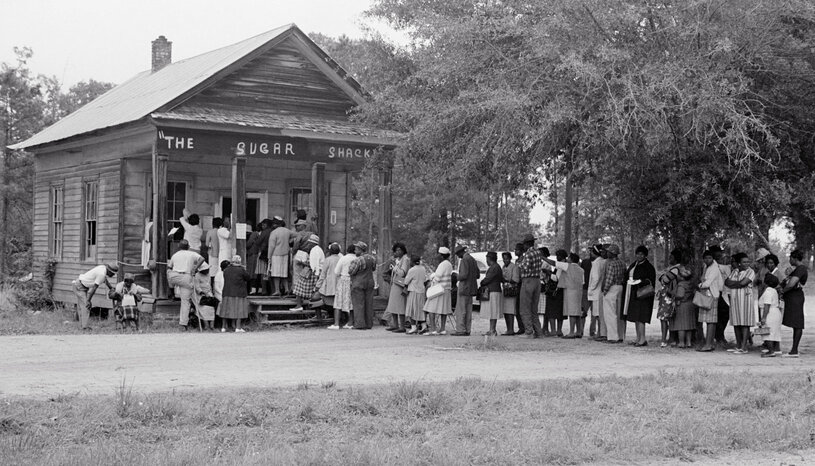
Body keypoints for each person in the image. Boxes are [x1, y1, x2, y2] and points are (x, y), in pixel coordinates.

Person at [544, 250, 585, 338]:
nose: (567, 259)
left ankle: (571, 332)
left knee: (572, 312)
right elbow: (583, 281)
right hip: (579, 291)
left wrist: (543, 258)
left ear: (571, 259)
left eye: (569, 257)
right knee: (577, 312)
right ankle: (578, 331)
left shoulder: (567, 266)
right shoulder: (581, 269)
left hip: (570, 291)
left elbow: (554, 263)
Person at [622, 245, 657, 346]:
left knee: (642, 316)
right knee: (636, 316)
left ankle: (642, 339)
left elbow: (650, 280)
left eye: (641, 254)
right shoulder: (634, 264)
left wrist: (640, 281)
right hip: (633, 293)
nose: (639, 256)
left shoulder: (648, 267)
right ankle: (638, 338)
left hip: (644, 295)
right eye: (638, 254)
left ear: (645, 255)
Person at [167, 239, 203, 330]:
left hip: (175, 277)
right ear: (188, 247)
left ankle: (171, 290)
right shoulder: (191, 254)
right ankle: (183, 324)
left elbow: (169, 267)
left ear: (179, 247)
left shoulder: (175, 255)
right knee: (185, 302)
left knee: (168, 272)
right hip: (186, 277)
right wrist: (195, 268)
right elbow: (202, 259)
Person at [725, 252, 756, 354]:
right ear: (739, 263)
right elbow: (727, 282)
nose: (747, 264)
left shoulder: (750, 272)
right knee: (736, 323)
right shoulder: (735, 271)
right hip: (735, 300)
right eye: (744, 262)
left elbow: (743, 283)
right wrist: (737, 284)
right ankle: (738, 346)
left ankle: (744, 347)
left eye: (748, 262)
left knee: (745, 323)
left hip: (745, 300)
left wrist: (735, 284)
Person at [73, 262, 118, 330]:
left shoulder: (103, 268)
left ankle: (82, 326)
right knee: (86, 306)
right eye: (113, 273)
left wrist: (110, 287)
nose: (113, 275)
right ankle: (84, 327)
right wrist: (88, 300)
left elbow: (105, 279)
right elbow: (94, 288)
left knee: (82, 307)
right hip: (80, 286)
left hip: (80, 285)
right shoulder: (102, 274)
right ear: (109, 271)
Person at [781, 249, 807, 357]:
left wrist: (782, 291)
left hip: (795, 298)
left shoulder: (801, 269)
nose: (789, 260)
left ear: (795, 258)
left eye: (790, 258)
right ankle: (793, 349)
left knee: (797, 323)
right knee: (796, 323)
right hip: (792, 298)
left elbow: (791, 284)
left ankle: (794, 350)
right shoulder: (797, 269)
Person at [697, 249, 724, 352]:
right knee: (708, 320)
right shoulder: (706, 267)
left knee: (711, 321)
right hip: (706, 295)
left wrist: (699, 285)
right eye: (706, 258)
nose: (708, 260)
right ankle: (709, 343)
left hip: (712, 295)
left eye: (710, 258)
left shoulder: (714, 269)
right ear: (703, 259)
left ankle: (708, 344)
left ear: (713, 258)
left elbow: (707, 283)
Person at [517, 234, 543, 338]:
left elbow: (526, 267)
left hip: (528, 280)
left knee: (524, 307)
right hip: (537, 281)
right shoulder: (538, 252)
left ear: (526, 244)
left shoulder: (528, 253)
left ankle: (528, 332)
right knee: (533, 308)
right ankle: (538, 332)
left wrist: (519, 264)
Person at [291, 234, 325, 316]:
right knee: (310, 290)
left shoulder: (314, 250)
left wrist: (303, 262)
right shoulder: (318, 249)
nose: (308, 244)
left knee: (299, 287)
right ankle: (309, 308)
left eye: (310, 243)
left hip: (312, 272)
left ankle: (299, 305)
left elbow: (314, 264)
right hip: (314, 271)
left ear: (313, 243)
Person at [669, 251, 696, 348]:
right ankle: (688, 342)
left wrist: (672, 293)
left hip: (682, 306)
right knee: (689, 326)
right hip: (690, 305)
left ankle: (681, 342)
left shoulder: (681, 284)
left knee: (681, 326)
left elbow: (680, 295)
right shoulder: (691, 284)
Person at [424, 247, 454, 335]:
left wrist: (431, 277)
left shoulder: (442, 264)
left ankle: (433, 329)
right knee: (443, 310)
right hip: (446, 289)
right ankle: (442, 328)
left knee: (431, 309)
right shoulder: (449, 264)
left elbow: (437, 277)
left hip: (438, 290)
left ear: (441, 256)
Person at [219, 255, 251, 332]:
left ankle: (223, 327)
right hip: (239, 292)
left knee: (225, 310)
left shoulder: (226, 270)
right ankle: (238, 327)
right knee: (239, 310)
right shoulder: (241, 270)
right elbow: (248, 278)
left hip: (227, 292)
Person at [349, 241, 377, 330]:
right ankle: (369, 323)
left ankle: (359, 324)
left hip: (358, 283)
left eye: (356, 249)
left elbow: (351, 271)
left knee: (358, 304)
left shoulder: (358, 260)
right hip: (370, 282)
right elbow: (373, 268)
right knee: (369, 303)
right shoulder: (372, 258)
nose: (355, 251)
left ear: (361, 250)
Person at [601, 244, 626, 343]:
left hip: (612, 288)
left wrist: (605, 291)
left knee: (610, 313)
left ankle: (612, 337)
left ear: (612, 253)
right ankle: (620, 336)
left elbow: (609, 279)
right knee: (619, 313)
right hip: (620, 287)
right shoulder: (622, 263)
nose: (607, 253)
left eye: (608, 252)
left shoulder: (611, 264)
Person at [657, 250, 681, 347]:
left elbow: (664, 280)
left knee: (664, 317)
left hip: (668, 295)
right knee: (668, 318)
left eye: (671, 257)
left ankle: (664, 339)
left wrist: (663, 275)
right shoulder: (674, 269)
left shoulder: (675, 269)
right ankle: (670, 338)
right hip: (667, 295)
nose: (669, 259)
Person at [384, 242, 410, 332]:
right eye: (396, 250)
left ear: (403, 250)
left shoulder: (405, 259)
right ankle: (395, 324)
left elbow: (402, 273)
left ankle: (402, 326)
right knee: (393, 305)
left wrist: (395, 267)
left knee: (400, 306)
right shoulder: (399, 259)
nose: (398, 252)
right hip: (395, 284)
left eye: (399, 250)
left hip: (400, 285)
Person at [453, 245, 478, 336]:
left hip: (464, 288)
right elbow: (478, 274)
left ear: (460, 252)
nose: (457, 256)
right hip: (471, 289)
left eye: (457, 254)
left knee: (461, 310)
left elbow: (463, 275)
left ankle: (460, 330)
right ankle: (467, 329)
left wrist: (456, 276)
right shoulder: (473, 260)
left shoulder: (464, 260)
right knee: (468, 310)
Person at [710, 245, 732, 348]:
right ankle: (718, 336)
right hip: (714, 292)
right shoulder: (711, 265)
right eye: (717, 253)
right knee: (719, 314)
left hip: (722, 293)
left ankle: (719, 335)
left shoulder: (723, 265)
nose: (720, 255)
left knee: (725, 313)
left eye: (720, 253)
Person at [479, 251, 504, 336]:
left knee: (493, 311)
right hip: (494, 290)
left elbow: (488, 279)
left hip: (493, 291)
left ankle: (492, 330)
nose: (486, 261)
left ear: (489, 259)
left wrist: (482, 282)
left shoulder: (494, 267)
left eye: (487, 259)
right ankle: (492, 329)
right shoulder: (496, 267)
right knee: (492, 311)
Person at [319, 243, 343, 329]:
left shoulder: (328, 260)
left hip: (329, 284)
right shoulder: (341, 259)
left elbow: (323, 274)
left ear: (330, 251)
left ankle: (333, 320)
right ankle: (340, 320)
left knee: (330, 302)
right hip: (340, 283)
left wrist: (318, 286)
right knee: (338, 303)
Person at [759, 274, 783, 358]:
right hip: (776, 312)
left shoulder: (768, 291)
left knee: (767, 332)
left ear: (766, 282)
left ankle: (771, 351)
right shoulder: (774, 290)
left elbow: (767, 305)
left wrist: (764, 317)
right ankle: (775, 349)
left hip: (770, 314)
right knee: (774, 332)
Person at [404, 254, 429, 335]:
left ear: (412, 262)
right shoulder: (423, 268)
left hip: (413, 291)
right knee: (420, 309)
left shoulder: (412, 270)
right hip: (421, 291)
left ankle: (413, 327)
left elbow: (406, 281)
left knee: (412, 310)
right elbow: (425, 279)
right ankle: (424, 326)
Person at [586, 244, 607, 341]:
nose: (590, 253)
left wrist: (591, 289)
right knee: (599, 313)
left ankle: (599, 333)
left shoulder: (596, 263)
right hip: (601, 291)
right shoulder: (603, 261)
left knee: (597, 314)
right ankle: (601, 332)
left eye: (591, 252)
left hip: (596, 291)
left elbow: (596, 278)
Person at [267, 216, 291, 296]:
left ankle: (277, 290)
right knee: (284, 273)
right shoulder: (287, 231)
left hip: (276, 254)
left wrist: (269, 256)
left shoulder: (274, 232)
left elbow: (271, 246)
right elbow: (295, 235)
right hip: (285, 254)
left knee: (276, 273)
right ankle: (287, 289)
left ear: (276, 224)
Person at [333, 244, 356, 329]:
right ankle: (350, 322)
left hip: (343, 280)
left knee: (338, 302)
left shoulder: (343, 258)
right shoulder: (357, 259)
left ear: (347, 250)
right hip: (353, 281)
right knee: (351, 302)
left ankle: (336, 324)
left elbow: (336, 271)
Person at [501, 251, 520, 335]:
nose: (505, 261)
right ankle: (508, 328)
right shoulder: (503, 267)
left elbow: (516, 279)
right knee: (506, 310)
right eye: (504, 259)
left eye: (507, 259)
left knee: (511, 310)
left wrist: (507, 280)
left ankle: (511, 329)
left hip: (511, 290)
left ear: (510, 259)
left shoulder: (514, 267)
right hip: (505, 290)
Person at [193, 261, 216, 331]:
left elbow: (209, 284)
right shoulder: (197, 276)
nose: (207, 270)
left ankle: (212, 326)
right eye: (206, 270)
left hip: (209, 293)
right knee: (204, 309)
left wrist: (210, 293)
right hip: (200, 295)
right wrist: (203, 293)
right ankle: (206, 325)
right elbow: (197, 287)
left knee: (211, 309)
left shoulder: (208, 274)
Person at [513, 243, 527, 335]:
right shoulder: (517, 260)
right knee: (517, 307)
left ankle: (525, 326)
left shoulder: (524, 260)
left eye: (517, 250)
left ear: (522, 251)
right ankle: (520, 326)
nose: (515, 251)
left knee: (522, 306)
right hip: (517, 284)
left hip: (523, 283)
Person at [206, 218, 223, 285]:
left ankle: (212, 287)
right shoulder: (221, 232)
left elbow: (207, 244)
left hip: (212, 253)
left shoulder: (210, 232)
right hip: (221, 253)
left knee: (212, 272)